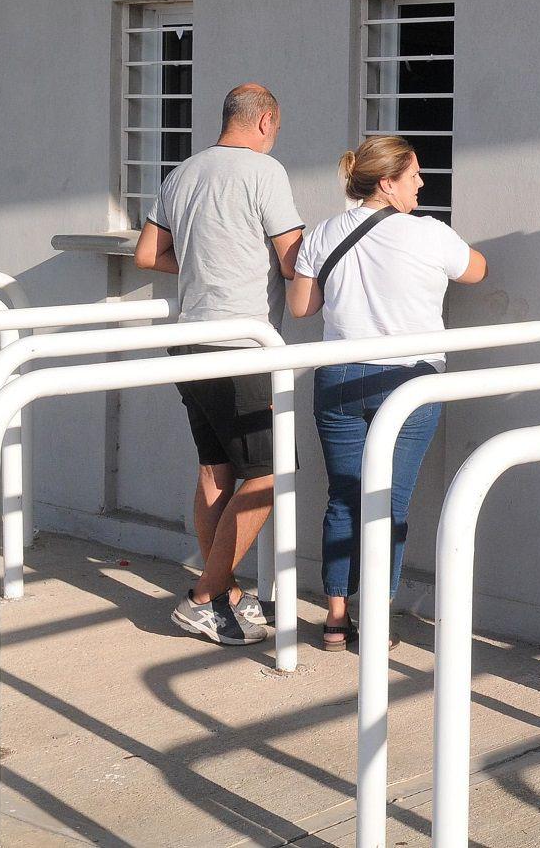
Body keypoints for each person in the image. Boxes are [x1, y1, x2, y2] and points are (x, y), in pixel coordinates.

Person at [287, 136, 487, 652]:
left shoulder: (327, 231)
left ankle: (335, 618)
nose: (423, 183)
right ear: (387, 182)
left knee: (344, 497)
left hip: (337, 379)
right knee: (389, 504)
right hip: (407, 383)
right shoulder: (430, 235)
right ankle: (375, 620)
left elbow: (303, 307)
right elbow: (477, 269)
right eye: (415, 174)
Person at [134, 83, 304, 646]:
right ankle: (204, 595)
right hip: (242, 344)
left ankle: (225, 594)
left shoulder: (181, 173)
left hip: (190, 340)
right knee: (269, 471)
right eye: (276, 128)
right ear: (266, 121)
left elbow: (147, 255)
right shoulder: (265, 172)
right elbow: (292, 258)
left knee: (215, 470)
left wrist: (207, 262)